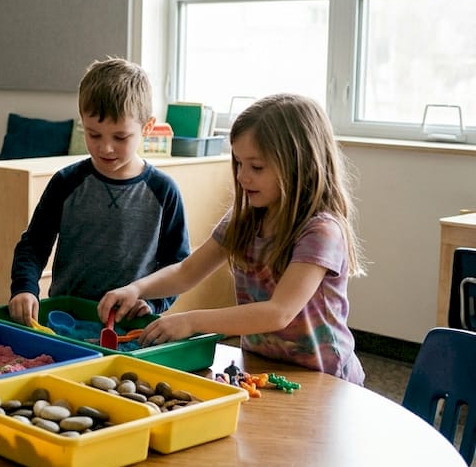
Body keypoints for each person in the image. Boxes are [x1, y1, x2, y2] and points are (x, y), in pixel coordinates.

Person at [98, 93, 366, 384]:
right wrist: (137, 289)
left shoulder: (320, 231)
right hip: (262, 366)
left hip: (324, 377)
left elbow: (279, 312)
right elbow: (187, 272)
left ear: (297, 164)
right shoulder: (246, 217)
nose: (242, 177)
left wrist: (192, 322)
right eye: (238, 164)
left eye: (256, 167)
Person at [8, 58, 190, 328]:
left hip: (129, 325)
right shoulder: (66, 182)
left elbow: (177, 265)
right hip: (66, 320)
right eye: (94, 135)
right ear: (82, 121)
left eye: (120, 138)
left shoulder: (163, 191)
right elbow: (33, 245)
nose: (106, 148)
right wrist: (24, 288)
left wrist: (152, 303)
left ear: (147, 128)